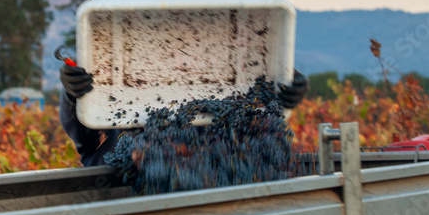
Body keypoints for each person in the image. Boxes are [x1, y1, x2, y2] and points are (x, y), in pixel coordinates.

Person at [59, 62, 309, 167]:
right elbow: (84, 137)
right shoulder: (109, 97)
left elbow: (254, 135)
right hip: (116, 198)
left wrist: (282, 87)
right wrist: (73, 95)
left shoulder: (212, 108)